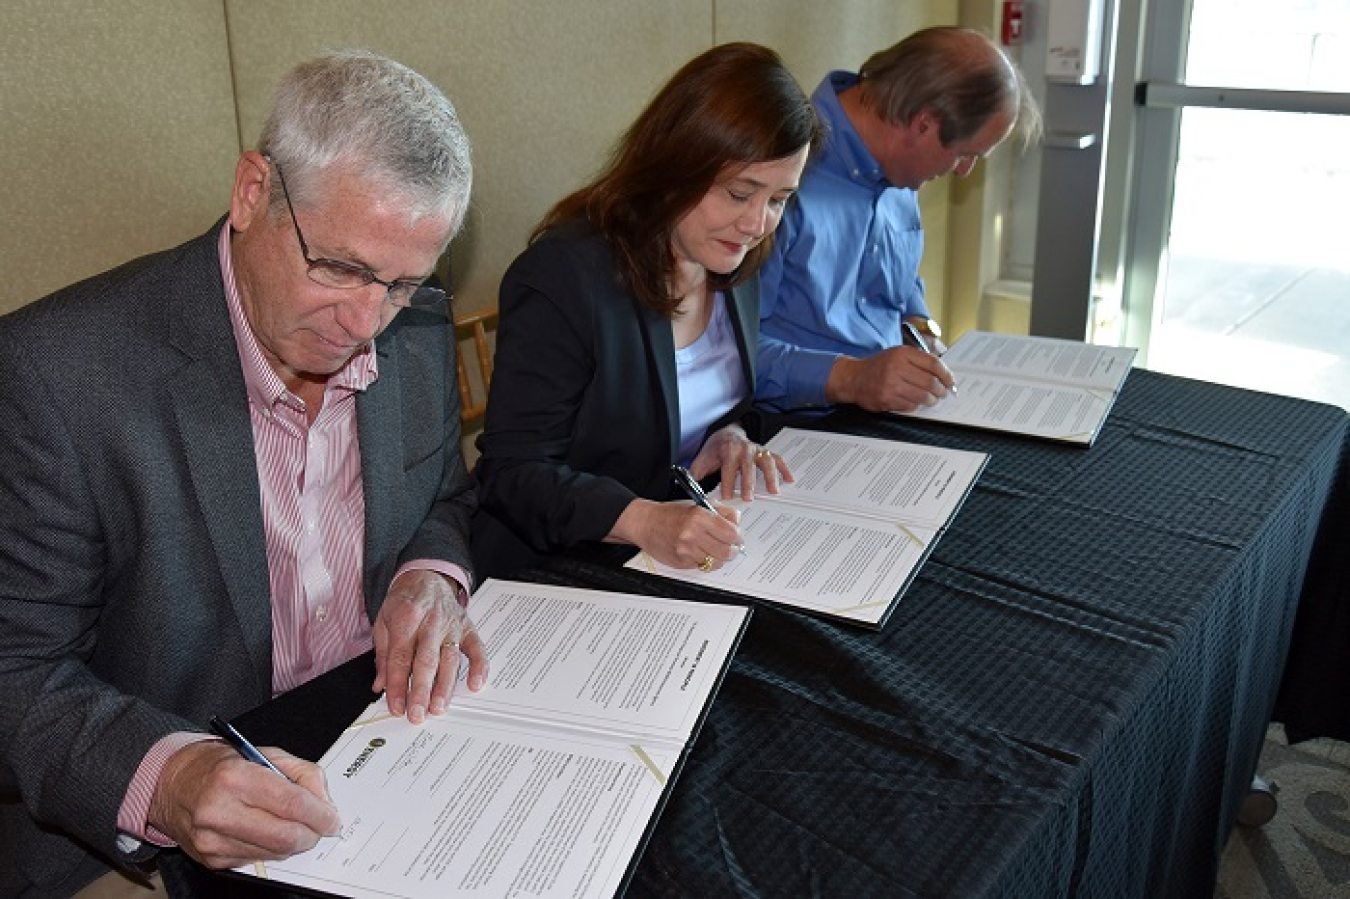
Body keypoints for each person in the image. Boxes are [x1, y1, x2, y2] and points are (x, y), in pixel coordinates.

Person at [0, 51, 489, 896]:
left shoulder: (417, 329)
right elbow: (15, 670)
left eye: (403, 283)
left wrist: (429, 574)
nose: (365, 323)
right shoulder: (56, 375)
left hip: (379, 751)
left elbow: (443, 494)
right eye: (338, 267)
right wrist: (173, 775)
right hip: (146, 830)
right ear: (254, 192)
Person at [472, 42, 823, 581]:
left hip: (671, 550)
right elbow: (513, 474)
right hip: (563, 570)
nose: (757, 224)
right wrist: (643, 521)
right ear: (679, 164)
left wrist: (728, 433)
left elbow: (702, 399)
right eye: (738, 193)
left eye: (778, 200)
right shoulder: (566, 273)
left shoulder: (733, 257)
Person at [755, 27, 1042, 413]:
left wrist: (920, 328)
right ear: (923, 124)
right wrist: (850, 378)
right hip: (801, 427)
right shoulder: (781, 174)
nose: (964, 171)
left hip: (888, 415)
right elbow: (725, 354)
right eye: (965, 154)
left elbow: (894, 280)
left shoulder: (899, 164)